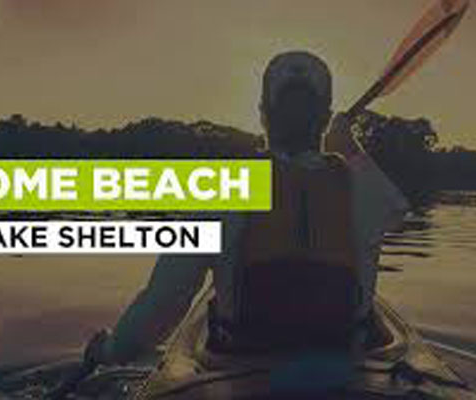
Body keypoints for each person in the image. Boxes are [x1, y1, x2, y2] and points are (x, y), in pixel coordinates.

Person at [84, 51, 409, 366]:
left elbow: (164, 301)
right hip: (346, 365)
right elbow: (396, 210)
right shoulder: (366, 192)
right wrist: (349, 146)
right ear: (325, 118)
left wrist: (112, 350)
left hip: (242, 364)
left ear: (263, 114)